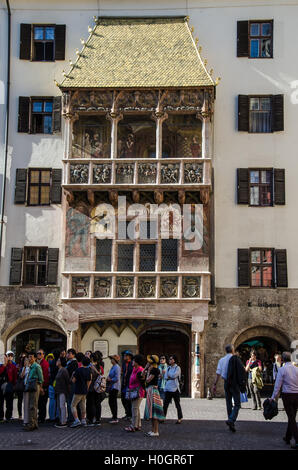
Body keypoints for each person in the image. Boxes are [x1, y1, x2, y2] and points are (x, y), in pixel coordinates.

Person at [213, 344, 246, 433]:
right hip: (234, 383)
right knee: (237, 404)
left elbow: (218, 373)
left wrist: (214, 384)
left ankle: (230, 421)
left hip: (226, 383)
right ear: (232, 350)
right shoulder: (236, 359)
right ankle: (231, 420)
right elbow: (242, 370)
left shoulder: (222, 360)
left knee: (228, 403)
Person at [270, 351, 298, 449]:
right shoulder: (296, 369)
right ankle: (287, 437)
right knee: (292, 416)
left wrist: (272, 397)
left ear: (282, 359)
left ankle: (297, 440)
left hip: (287, 395)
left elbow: (278, 385)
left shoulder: (282, 370)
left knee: (291, 417)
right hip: (296, 395)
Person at [143, 355, 165, 437]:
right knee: (151, 412)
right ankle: (153, 430)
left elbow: (148, 380)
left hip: (153, 391)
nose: (147, 363)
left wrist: (147, 371)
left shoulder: (155, 370)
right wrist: (145, 369)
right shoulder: (151, 369)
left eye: (149, 361)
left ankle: (156, 431)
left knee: (154, 412)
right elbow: (143, 376)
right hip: (150, 390)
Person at [124, 354, 145, 432]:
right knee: (136, 409)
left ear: (137, 362)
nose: (132, 361)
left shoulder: (140, 370)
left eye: (134, 360)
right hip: (133, 391)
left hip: (138, 392)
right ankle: (138, 425)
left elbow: (142, 380)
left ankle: (133, 426)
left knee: (134, 409)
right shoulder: (134, 369)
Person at [24, 352, 43, 431]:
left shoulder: (37, 366)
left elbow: (41, 378)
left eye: (31, 357)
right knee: (32, 405)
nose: (30, 359)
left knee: (33, 405)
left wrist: (41, 388)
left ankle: (32, 423)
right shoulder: (31, 366)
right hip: (30, 386)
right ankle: (34, 423)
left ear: (35, 358)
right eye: (29, 357)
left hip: (35, 385)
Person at [70, 356, 92, 428]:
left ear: (82, 362)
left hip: (78, 390)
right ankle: (83, 419)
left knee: (73, 405)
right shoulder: (89, 370)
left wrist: (72, 375)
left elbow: (73, 380)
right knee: (82, 405)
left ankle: (76, 420)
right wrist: (86, 388)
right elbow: (89, 381)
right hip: (84, 390)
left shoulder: (78, 370)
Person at [163, 355, 183, 424]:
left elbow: (175, 375)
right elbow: (165, 377)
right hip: (168, 388)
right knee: (165, 404)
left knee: (177, 404)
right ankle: (163, 417)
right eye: (169, 359)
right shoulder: (168, 368)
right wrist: (170, 376)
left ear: (174, 360)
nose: (169, 360)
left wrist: (170, 376)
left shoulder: (177, 368)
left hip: (175, 389)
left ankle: (179, 418)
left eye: (171, 359)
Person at [0, 351, 17, 423]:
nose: (9, 357)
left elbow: (15, 376)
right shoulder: (1, 365)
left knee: (9, 402)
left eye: (11, 356)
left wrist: (14, 385)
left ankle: (8, 416)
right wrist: (4, 365)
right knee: (0, 402)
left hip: (9, 385)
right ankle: (0, 417)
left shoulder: (13, 366)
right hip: (1, 385)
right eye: (8, 356)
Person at [54, 357, 70, 428]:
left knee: (62, 406)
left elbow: (67, 381)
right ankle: (61, 420)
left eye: (58, 360)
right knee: (60, 406)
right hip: (58, 390)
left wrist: (67, 390)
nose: (57, 361)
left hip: (63, 390)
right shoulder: (59, 370)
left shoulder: (64, 370)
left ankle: (64, 421)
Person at [86, 353, 101, 426]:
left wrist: (87, 387)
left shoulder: (90, 367)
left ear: (91, 358)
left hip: (91, 387)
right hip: (98, 387)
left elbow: (90, 379)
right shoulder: (99, 366)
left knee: (90, 404)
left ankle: (91, 419)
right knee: (97, 404)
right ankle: (97, 419)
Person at [107, 355, 121, 424]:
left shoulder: (117, 367)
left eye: (112, 359)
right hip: (111, 386)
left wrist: (110, 379)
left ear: (114, 360)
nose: (111, 360)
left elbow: (117, 378)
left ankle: (115, 417)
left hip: (114, 387)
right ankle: (114, 416)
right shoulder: (113, 367)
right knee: (111, 402)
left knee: (113, 402)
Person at [37, 349, 50, 424]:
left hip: (43, 385)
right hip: (38, 385)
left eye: (40, 353)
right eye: (38, 353)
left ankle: (42, 417)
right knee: (39, 403)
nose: (38, 355)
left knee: (42, 403)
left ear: (43, 355)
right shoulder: (37, 362)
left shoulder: (44, 363)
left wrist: (42, 386)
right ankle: (40, 416)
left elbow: (44, 376)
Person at [65, 348, 78, 423]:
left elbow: (72, 373)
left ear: (73, 355)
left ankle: (71, 417)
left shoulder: (73, 363)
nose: (67, 355)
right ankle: (70, 416)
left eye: (69, 353)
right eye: (67, 353)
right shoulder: (68, 362)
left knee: (71, 401)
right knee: (69, 401)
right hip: (68, 383)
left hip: (71, 384)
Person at [121, 350, 134, 421]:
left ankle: (130, 415)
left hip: (129, 384)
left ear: (129, 356)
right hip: (124, 383)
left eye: (125, 356)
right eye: (124, 356)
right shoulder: (123, 363)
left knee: (129, 400)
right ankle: (127, 413)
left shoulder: (132, 363)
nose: (124, 357)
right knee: (123, 399)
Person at [47, 352, 59, 423]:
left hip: (51, 383)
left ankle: (52, 416)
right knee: (58, 400)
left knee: (52, 400)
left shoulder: (51, 363)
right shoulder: (58, 363)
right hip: (57, 383)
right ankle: (57, 416)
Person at [15, 353, 27, 421]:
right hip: (20, 386)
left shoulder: (29, 367)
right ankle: (20, 414)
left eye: (24, 358)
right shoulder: (19, 366)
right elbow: (21, 376)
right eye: (21, 358)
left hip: (26, 386)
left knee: (26, 401)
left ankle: (26, 415)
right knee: (20, 400)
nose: (23, 359)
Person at [20, 356, 30, 426]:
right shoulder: (24, 368)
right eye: (24, 360)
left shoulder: (31, 367)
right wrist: (24, 368)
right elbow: (21, 376)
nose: (25, 361)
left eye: (27, 360)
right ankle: (25, 419)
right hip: (24, 387)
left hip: (30, 387)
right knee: (25, 404)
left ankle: (29, 419)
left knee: (30, 404)